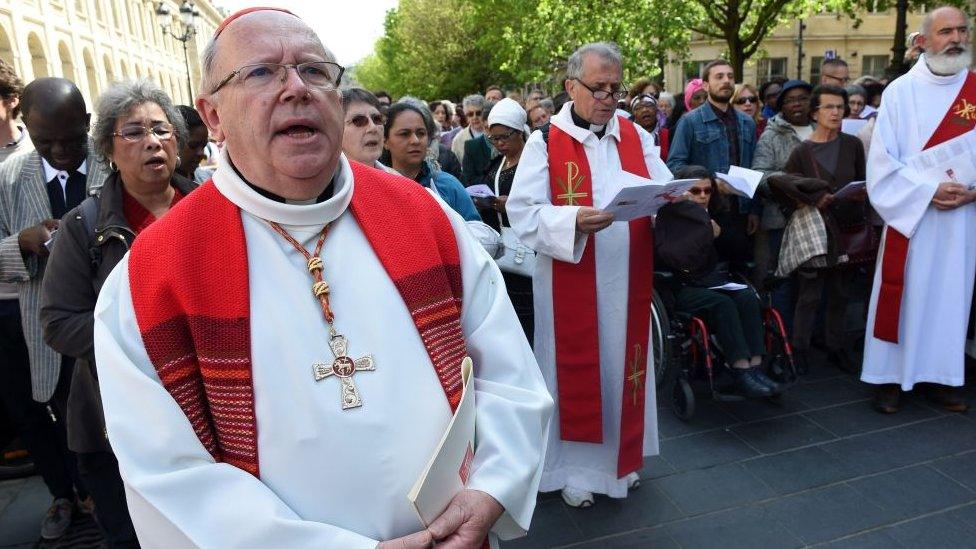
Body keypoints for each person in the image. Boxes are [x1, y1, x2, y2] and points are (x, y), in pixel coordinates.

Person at [93, 8, 552, 547]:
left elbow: (509, 371)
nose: (296, 88)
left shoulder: (423, 216)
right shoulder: (150, 277)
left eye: (314, 71)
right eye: (261, 73)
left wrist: (493, 487)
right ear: (212, 116)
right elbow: (167, 473)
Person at [508, 42, 672, 509]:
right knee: (577, 370)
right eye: (597, 87)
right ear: (570, 87)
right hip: (570, 279)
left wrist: (673, 197)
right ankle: (576, 471)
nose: (607, 97)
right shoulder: (544, 142)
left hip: (627, 278)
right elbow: (523, 213)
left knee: (625, 368)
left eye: (614, 88)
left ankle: (622, 462)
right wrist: (573, 221)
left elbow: (658, 184)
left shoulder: (634, 137)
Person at [41, 79, 197, 549]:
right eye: (133, 133)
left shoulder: (214, 210)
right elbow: (59, 322)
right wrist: (147, 337)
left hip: (209, 412)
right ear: (108, 147)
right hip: (117, 424)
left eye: (161, 130)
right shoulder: (84, 226)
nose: (152, 142)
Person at [0, 77, 111, 540]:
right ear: (27, 127)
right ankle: (74, 496)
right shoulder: (9, 177)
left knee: (112, 421)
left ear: (86, 124)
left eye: (70, 139)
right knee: (60, 418)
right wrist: (19, 244)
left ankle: (116, 501)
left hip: (106, 323)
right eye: (46, 141)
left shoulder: (114, 161)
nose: (60, 150)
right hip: (44, 332)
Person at [861, 6, 976, 414]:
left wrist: (973, 192)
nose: (956, 38)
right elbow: (881, 164)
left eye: (963, 30)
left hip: (962, 219)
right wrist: (928, 191)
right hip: (912, 218)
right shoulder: (900, 93)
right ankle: (888, 379)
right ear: (924, 41)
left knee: (950, 297)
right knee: (902, 295)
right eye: (946, 31)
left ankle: (941, 376)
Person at [769, 85, 869, 373]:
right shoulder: (802, 151)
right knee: (809, 293)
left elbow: (862, 179)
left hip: (846, 230)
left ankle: (835, 346)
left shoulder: (852, 144)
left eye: (840, 107)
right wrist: (810, 199)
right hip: (816, 233)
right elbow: (785, 189)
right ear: (815, 112)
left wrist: (860, 194)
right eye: (829, 107)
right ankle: (799, 350)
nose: (836, 112)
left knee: (840, 292)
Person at [657, 166, 780, 397]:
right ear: (682, 192)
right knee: (722, 304)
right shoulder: (667, 218)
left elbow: (741, 250)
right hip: (682, 285)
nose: (703, 196)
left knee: (746, 297)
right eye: (695, 191)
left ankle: (755, 365)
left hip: (716, 279)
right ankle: (740, 369)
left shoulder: (717, 214)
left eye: (707, 190)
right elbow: (671, 259)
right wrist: (701, 231)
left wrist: (720, 234)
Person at [751, 79, 814, 325]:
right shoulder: (771, 136)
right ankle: (781, 337)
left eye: (802, 98)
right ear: (781, 106)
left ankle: (809, 337)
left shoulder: (823, 129)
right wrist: (795, 183)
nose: (797, 104)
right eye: (790, 100)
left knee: (813, 281)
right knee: (784, 281)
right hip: (782, 219)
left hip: (820, 217)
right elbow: (761, 175)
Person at [471, 98, 534, 342]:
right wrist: (485, 202)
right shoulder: (499, 163)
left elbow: (543, 203)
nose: (499, 144)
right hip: (506, 253)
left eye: (504, 137)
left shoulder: (534, 161)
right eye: (493, 139)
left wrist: (514, 206)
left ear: (519, 132)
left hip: (530, 251)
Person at [668, 60, 757, 175]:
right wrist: (707, 181)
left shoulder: (747, 122)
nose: (726, 81)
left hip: (742, 193)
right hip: (708, 192)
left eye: (730, 77)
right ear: (705, 85)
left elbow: (755, 165)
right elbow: (674, 166)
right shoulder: (689, 121)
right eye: (719, 77)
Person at [341, 88, 386, 169]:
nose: (373, 128)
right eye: (359, 121)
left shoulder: (399, 180)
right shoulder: (324, 181)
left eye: (377, 119)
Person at [174, 105, 210, 184]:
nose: (201, 153)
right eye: (193, 146)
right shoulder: (161, 191)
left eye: (204, 146)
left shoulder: (208, 179)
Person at [629, 93, 668, 160]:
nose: (645, 110)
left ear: (656, 110)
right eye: (639, 108)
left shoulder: (667, 134)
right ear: (634, 113)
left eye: (649, 106)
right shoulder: (628, 136)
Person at [451, 94, 486, 163]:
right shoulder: (458, 140)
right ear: (466, 117)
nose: (474, 117)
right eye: (470, 114)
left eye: (478, 113)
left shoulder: (495, 134)